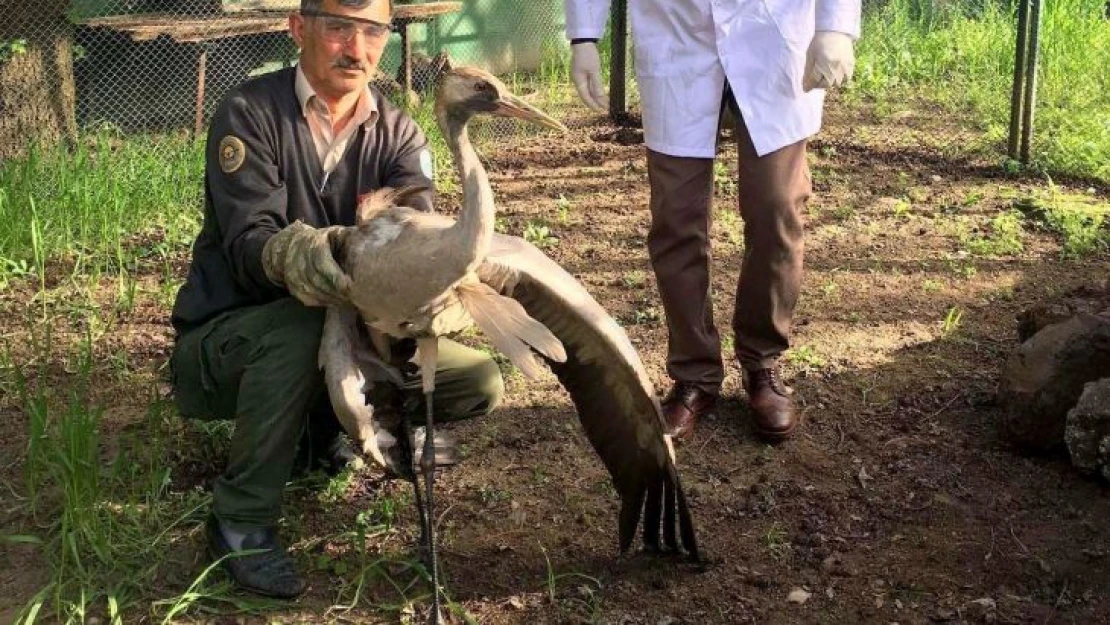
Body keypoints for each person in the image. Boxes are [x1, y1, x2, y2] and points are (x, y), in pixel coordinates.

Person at [169, 0, 504, 598]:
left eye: (372, 30)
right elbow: (250, 248)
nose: (357, 48)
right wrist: (309, 256)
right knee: (303, 331)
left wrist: (432, 288)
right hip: (228, 345)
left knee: (473, 379)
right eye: (339, 28)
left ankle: (321, 431)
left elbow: (416, 231)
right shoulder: (249, 114)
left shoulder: (399, 132)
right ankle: (240, 521)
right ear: (299, 28)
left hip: (346, 338)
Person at [564, 0, 860, 443]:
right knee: (676, 220)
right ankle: (693, 374)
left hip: (771, 32)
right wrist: (584, 36)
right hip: (675, 33)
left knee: (776, 208)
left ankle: (762, 364)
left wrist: (835, 26)